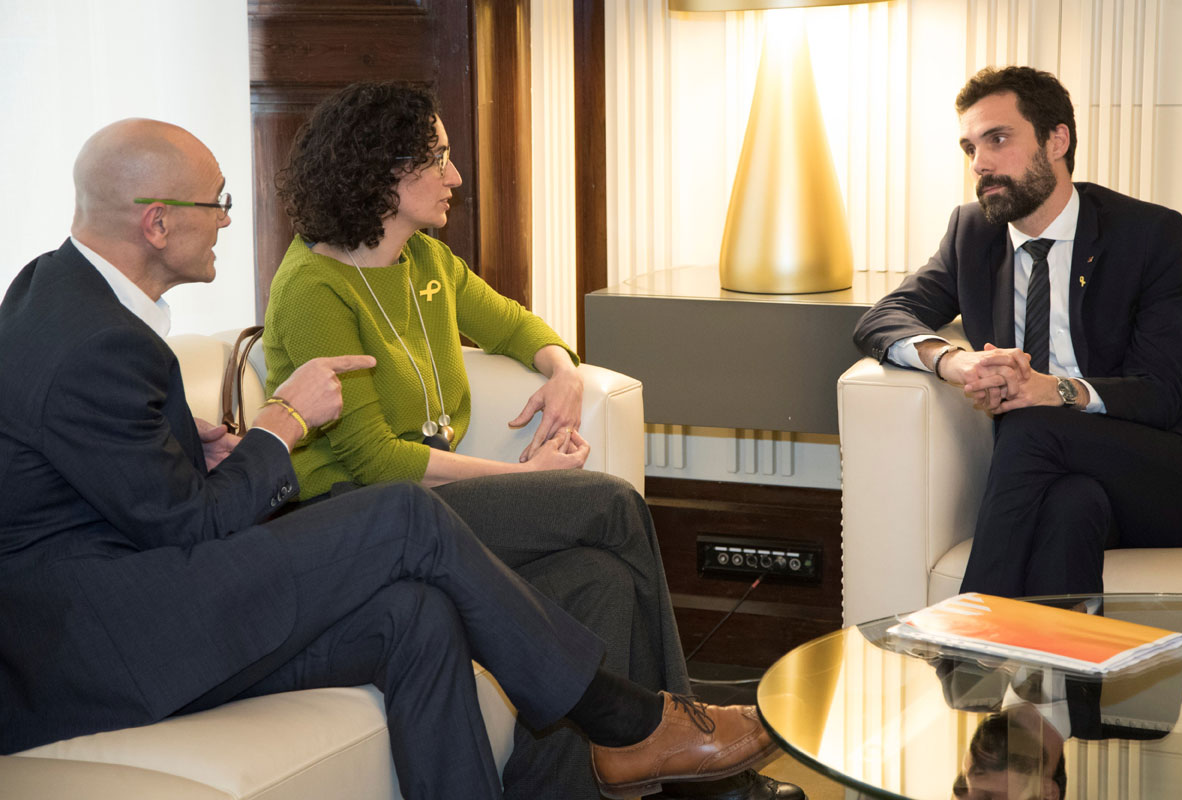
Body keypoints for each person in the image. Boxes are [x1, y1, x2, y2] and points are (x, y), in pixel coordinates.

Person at [0, 118, 782, 800]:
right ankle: (630, 722)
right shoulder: (98, 338)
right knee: (404, 515)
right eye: (218, 203)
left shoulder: (57, 291)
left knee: (418, 614)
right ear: (158, 223)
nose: (230, 221)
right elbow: (184, 529)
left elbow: (111, 483)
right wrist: (279, 424)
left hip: (125, 601)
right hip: (98, 648)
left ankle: (633, 735)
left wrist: (186, 447)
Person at [262, 82, 802, 800]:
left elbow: (518, 326)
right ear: (385, 174)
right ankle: (687, 757)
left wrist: (562, 370)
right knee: (609, 507)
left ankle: (574, 783)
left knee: (598, 580)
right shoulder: (312, 288)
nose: (457, 178)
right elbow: (377, 461)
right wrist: (522, 478)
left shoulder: (425, 262)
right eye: (440, 160)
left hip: (432, 509)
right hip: (367, 521)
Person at [853, 65, 1182, 598]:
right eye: (970, 147)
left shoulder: (1149, 235)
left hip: (1167, 467)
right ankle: (1061, 682)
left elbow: (1164, 393)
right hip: (1061, 477)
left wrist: (1054, 390)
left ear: (1056, 140)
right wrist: (954, 361)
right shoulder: (973, 234)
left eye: (997, 139)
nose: (980, 163)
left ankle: (964, 640)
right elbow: (884, 316)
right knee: (1071, 507)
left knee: (1031, 423)